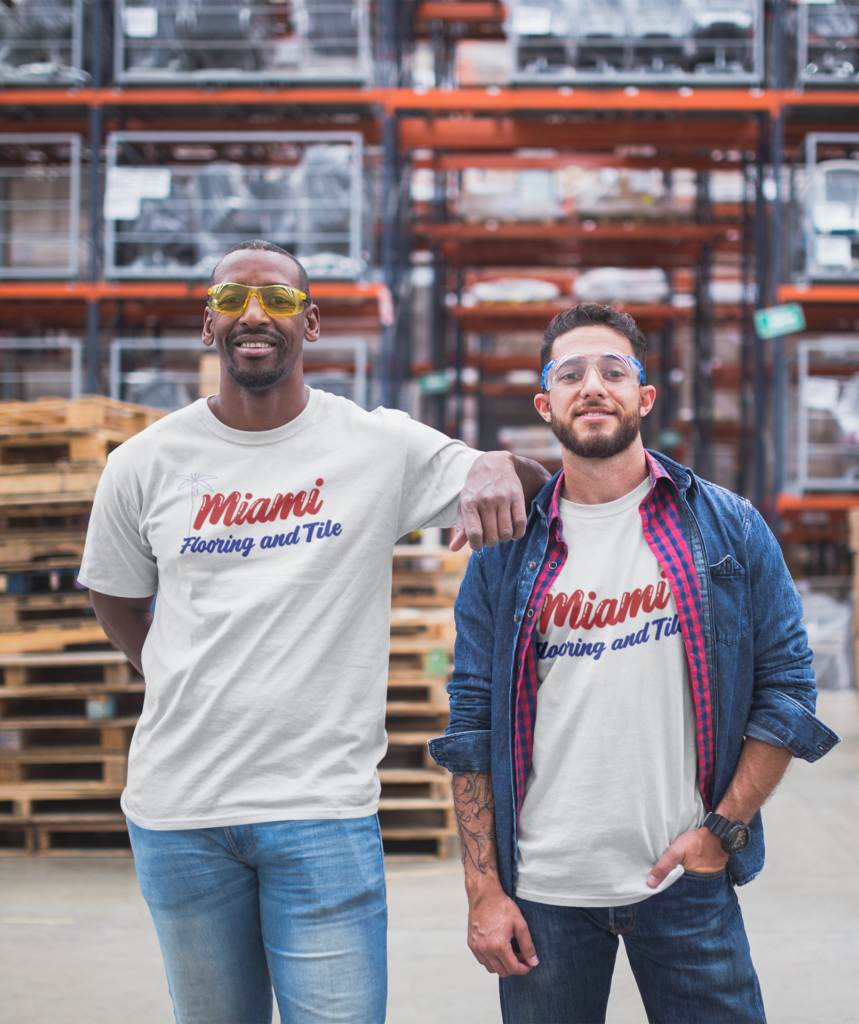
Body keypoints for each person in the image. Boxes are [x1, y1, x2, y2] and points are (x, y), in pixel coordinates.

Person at [78, 239, 549, 1024]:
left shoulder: (376, 445)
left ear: (313, 322)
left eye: (277, 300)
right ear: (208, 326)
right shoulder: (144, 464)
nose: (253, 315)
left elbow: (518, 482)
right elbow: (117, 598)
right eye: (231, 300)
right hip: (180, 815)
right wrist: (178, 667)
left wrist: (501, 461)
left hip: (321, 813)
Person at [428, 302, 841, 1023]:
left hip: (684, 879)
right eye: (571, 373)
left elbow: (789, 690)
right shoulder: (506, 554)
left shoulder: (728, 525)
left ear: (644, 398)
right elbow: (471, 725)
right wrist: (484, 890)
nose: (593, 385)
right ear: (545, 404)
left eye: (613, 371)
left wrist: (724, 828)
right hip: (545, 891)